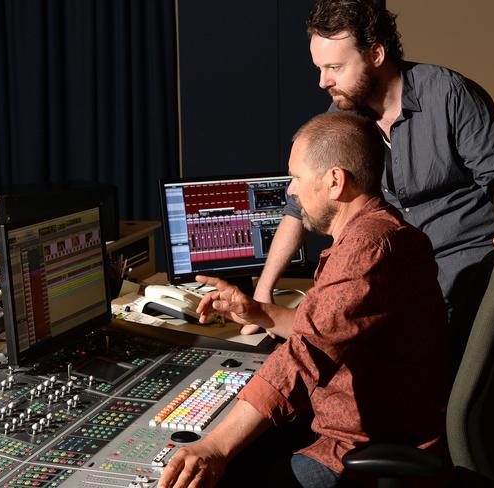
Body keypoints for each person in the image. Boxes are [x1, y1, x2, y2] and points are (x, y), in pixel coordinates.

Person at [158, 112, 449, 488]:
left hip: (359, 451)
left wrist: (215, 446)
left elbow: (306, 352)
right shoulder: (375, 232)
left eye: (296, 177)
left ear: (334, 181)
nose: (291, 191)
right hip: (352, 427)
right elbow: (328, 326)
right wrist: (256, 311)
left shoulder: (369, 249)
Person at [245, 0, 494, 336]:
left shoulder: (449, 94)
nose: (323, 81)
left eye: (335, 68)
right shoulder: (342, 120)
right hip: (407, 272)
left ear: (376, 55)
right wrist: (263, 294)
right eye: (319, 69)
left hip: (470, 265)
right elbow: (298, 206)